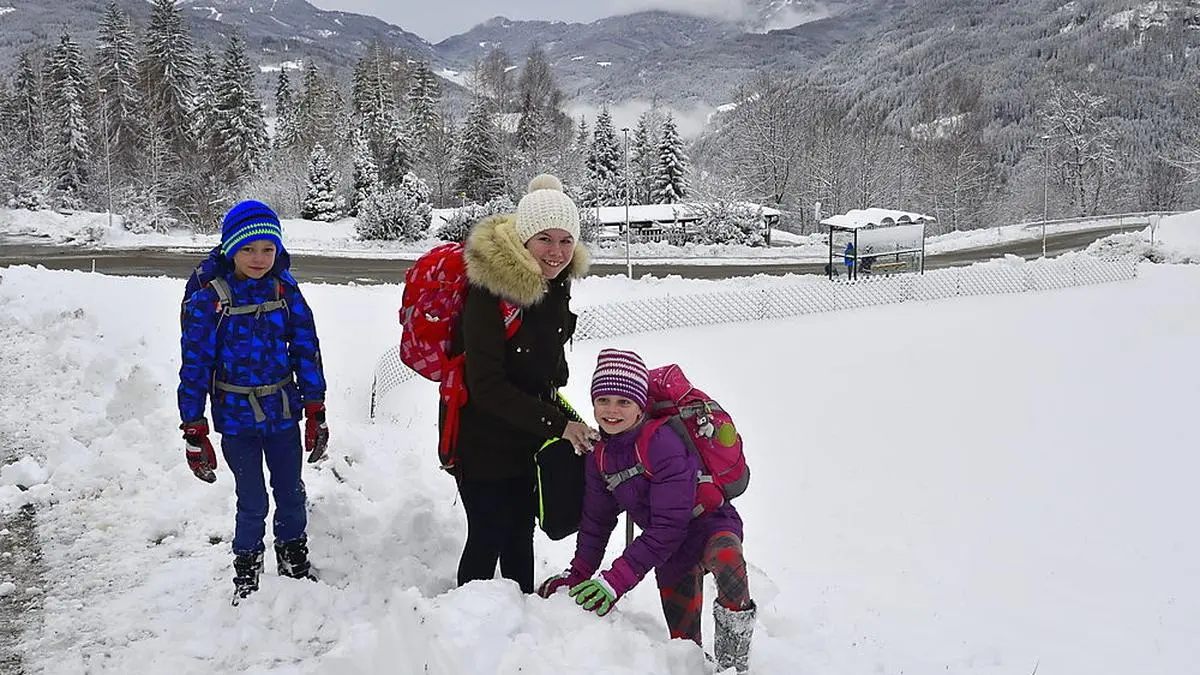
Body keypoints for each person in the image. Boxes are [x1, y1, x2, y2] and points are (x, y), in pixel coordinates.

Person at [538, 349, 757, 674]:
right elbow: (596, 523)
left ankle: (734, 667)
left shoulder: (662, 443)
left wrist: (614, 581)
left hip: (709, 524)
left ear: (640, 406)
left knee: (728, 561)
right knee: (685, 651)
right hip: (670, 553)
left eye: (624, 402)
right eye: (603, 400)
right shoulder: (599, 456)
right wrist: (579, 575)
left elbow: (669, 527)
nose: (612, 410)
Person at [446, 174, 596, 594]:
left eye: (566, 240)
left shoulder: (555, 284)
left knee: (520, 535)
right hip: (482, 440)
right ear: (524, 238)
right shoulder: (489, 290)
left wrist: (571, 422)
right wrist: (559, 424)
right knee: (487, 535)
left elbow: (545, 371)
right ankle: (465, 620)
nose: (557, 251)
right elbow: (486, 385)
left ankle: (522, 617)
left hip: (527, 437)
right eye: (545, 239)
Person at [178, 200, 329, 602]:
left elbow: (306, 348)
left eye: (268, 248)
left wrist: (315, 406)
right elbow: (194, 366)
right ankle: (247, 570)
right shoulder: (210, 299)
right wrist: (193, 428)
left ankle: (294, 559)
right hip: (236, 420)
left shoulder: (285, 290)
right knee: (252, 500)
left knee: (291, 491)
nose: (259, 258)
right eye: (248, 249)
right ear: (230, 249)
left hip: (282, 413)